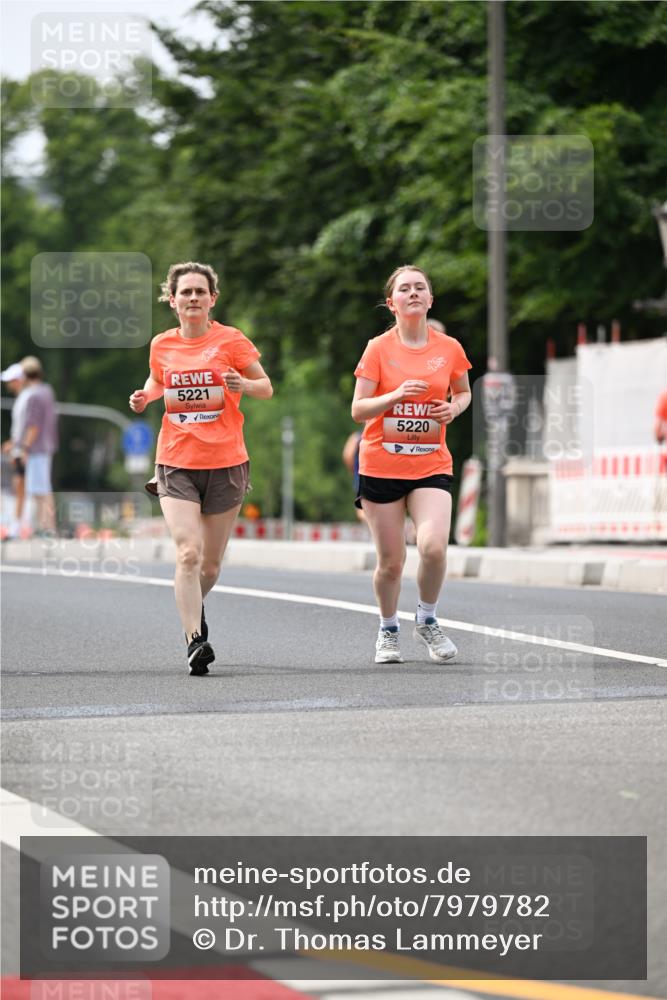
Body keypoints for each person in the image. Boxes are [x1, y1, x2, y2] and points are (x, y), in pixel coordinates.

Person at [129, 261, 272, 676]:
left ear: (213, 298)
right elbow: (159, 380)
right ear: (172, 300)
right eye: (185, 292)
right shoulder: (162, 344)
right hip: (176, 462)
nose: (193, 298)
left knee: (209, 565)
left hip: (227, 463)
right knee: (188, 553)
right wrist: (146, 397)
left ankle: (192, 601)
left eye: (200, 292)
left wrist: (243, 385)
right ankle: (195, 639)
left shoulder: (231, 340)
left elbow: (265, 386)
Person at [351, 265, 471, 664]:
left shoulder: (449, 348)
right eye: (405, 288)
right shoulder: (378, 348)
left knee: (434, 547)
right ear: (392, 302)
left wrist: (453, 408)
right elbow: (358, 409)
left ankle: (427, 619)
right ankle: (388, 629)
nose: (414, 293)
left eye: (421, 287)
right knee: (391, 563)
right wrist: (395, 395)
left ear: (430, 299)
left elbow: (464, 391)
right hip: (381, 466)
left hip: (430, 463)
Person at [18, 356, 58, 535]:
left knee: (41, 490)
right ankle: (45, 526)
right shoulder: (47, 391)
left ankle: (48, 527)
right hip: (47, 445)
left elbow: (33, 426)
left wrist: (24, 448)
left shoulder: (33, 395)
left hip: (37, 448)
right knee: (41, 488)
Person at [1, 362, 29, 539]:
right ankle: (16, 526)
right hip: (19, 449)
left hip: (25, 450)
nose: (8, 384)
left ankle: (19, 527)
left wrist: (22, 447)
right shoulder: (22, 398)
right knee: (19, 486)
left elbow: (30, 427)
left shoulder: (27, 399)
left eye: (11, 380)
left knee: (26, 488)